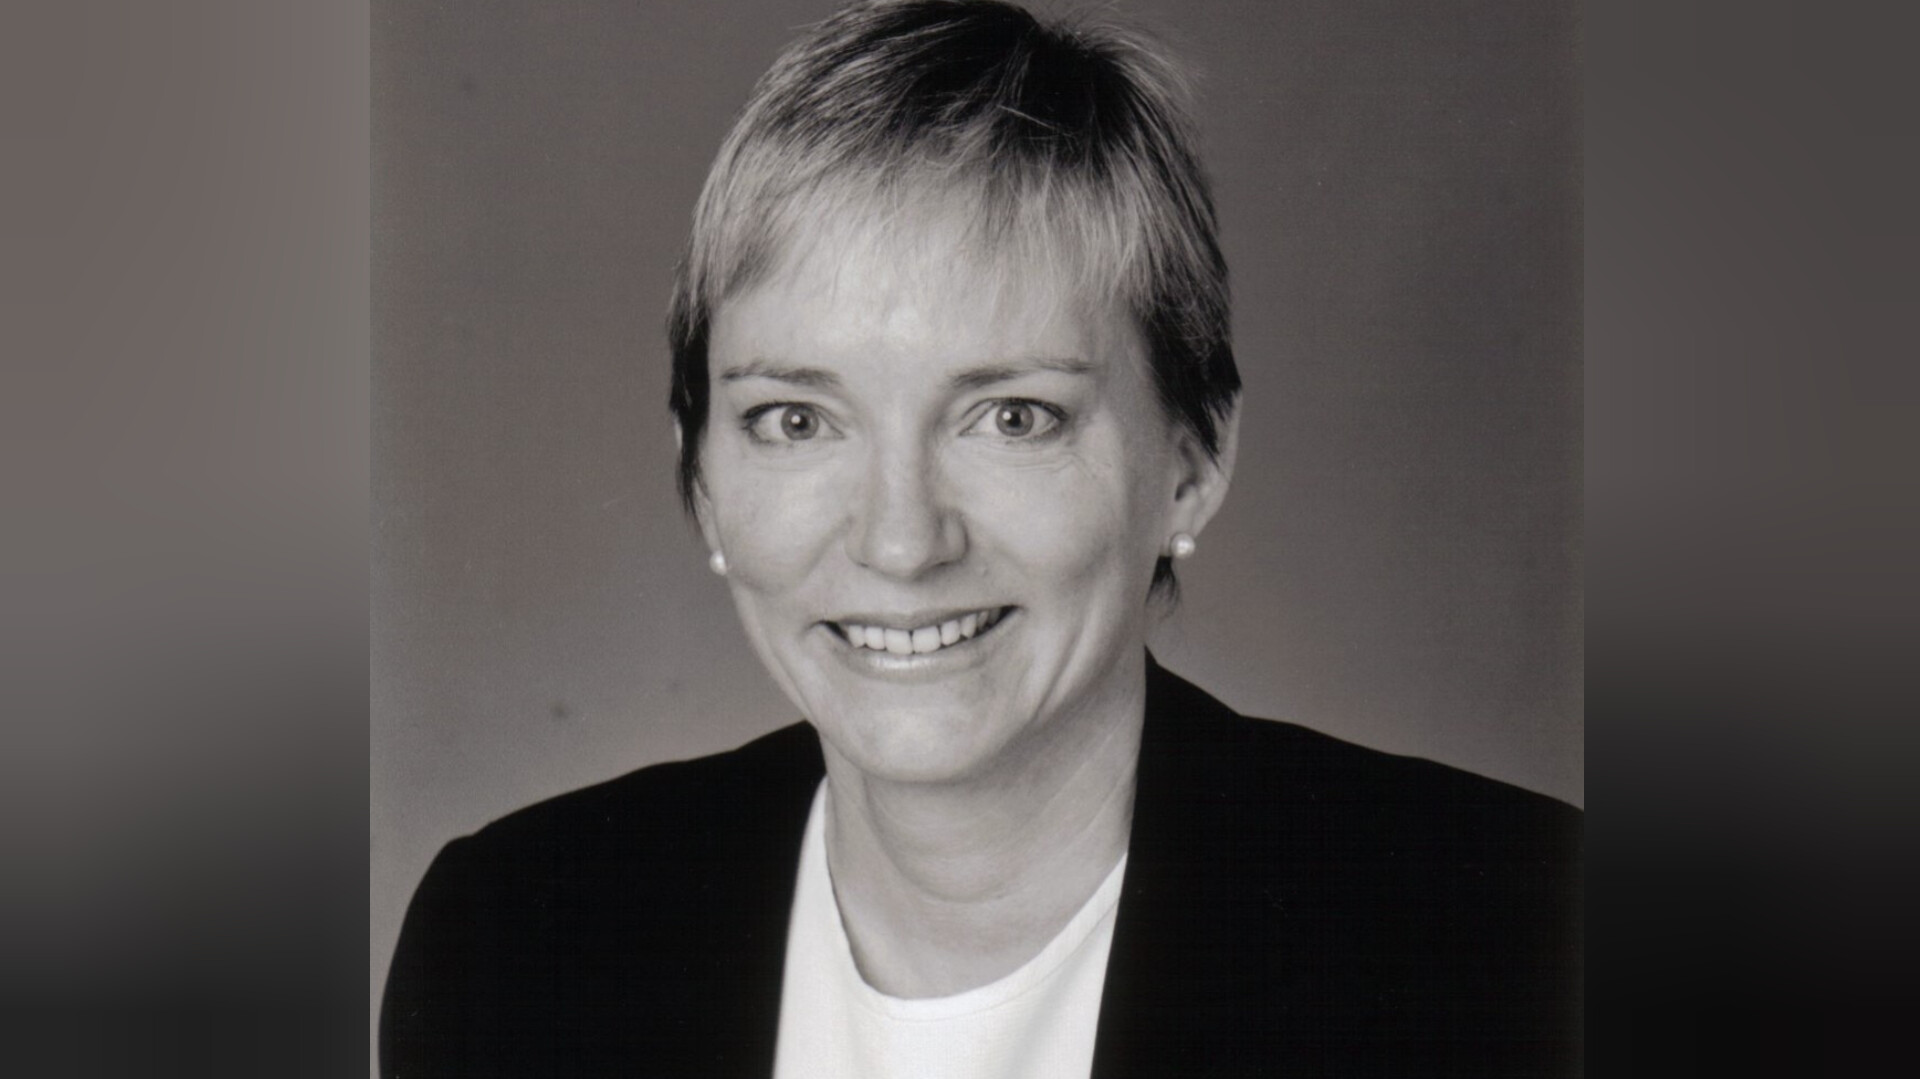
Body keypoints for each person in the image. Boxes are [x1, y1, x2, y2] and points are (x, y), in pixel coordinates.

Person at [380, 2, 1581, 1076]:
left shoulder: (1516, 945)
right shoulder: (515, 942)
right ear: (702, 477)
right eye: (796, 418)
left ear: (1193, 460)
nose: (902, 539)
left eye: (1013, 416)